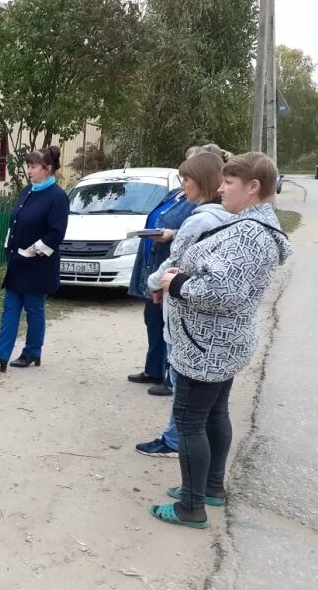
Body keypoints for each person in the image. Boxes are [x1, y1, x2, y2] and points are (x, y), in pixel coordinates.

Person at [150, 152, 293, 529]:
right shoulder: (249, 226)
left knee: (188, 421)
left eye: (229, 183)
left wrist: (176, 283)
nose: (221, 188)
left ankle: (192, 507)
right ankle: (210, 486)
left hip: (207, 345)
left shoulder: (249, 234)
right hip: (218, 342)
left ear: (253, 187)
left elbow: (223, 290)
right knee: (213, 414)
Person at [134, 152, 231, 458]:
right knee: (204, 394)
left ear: (201, 181)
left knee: (181, 380)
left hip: (185, 311)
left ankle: (175, 441)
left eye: (187, 179)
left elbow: (175, 263)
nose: (183, 185)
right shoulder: (224, 215)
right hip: (205, 317)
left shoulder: (200, 218)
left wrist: (153, 283)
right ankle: (181, 438)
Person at [0, 147, 69, 372]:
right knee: (10, 306)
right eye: (28, 166)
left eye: (33, 166)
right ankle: (0, 354)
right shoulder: (28, 190)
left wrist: (33, 251)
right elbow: (16, 220)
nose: (29, 170)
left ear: (47, 169)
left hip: (39, 265)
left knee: (34, 307)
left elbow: (56, 233)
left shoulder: (58, 197)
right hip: (17, 262)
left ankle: (32, 352)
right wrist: (9, 244)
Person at [127, 163, 197, 394]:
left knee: (170, 324)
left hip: (172, 269)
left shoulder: (202, 204)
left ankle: (170, 376)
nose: (183, 180)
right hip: (154, 264)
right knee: (153, 318)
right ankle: (154, 369)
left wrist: (172, 235)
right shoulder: (175, 195)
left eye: (187, 176)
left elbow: (191, 235)